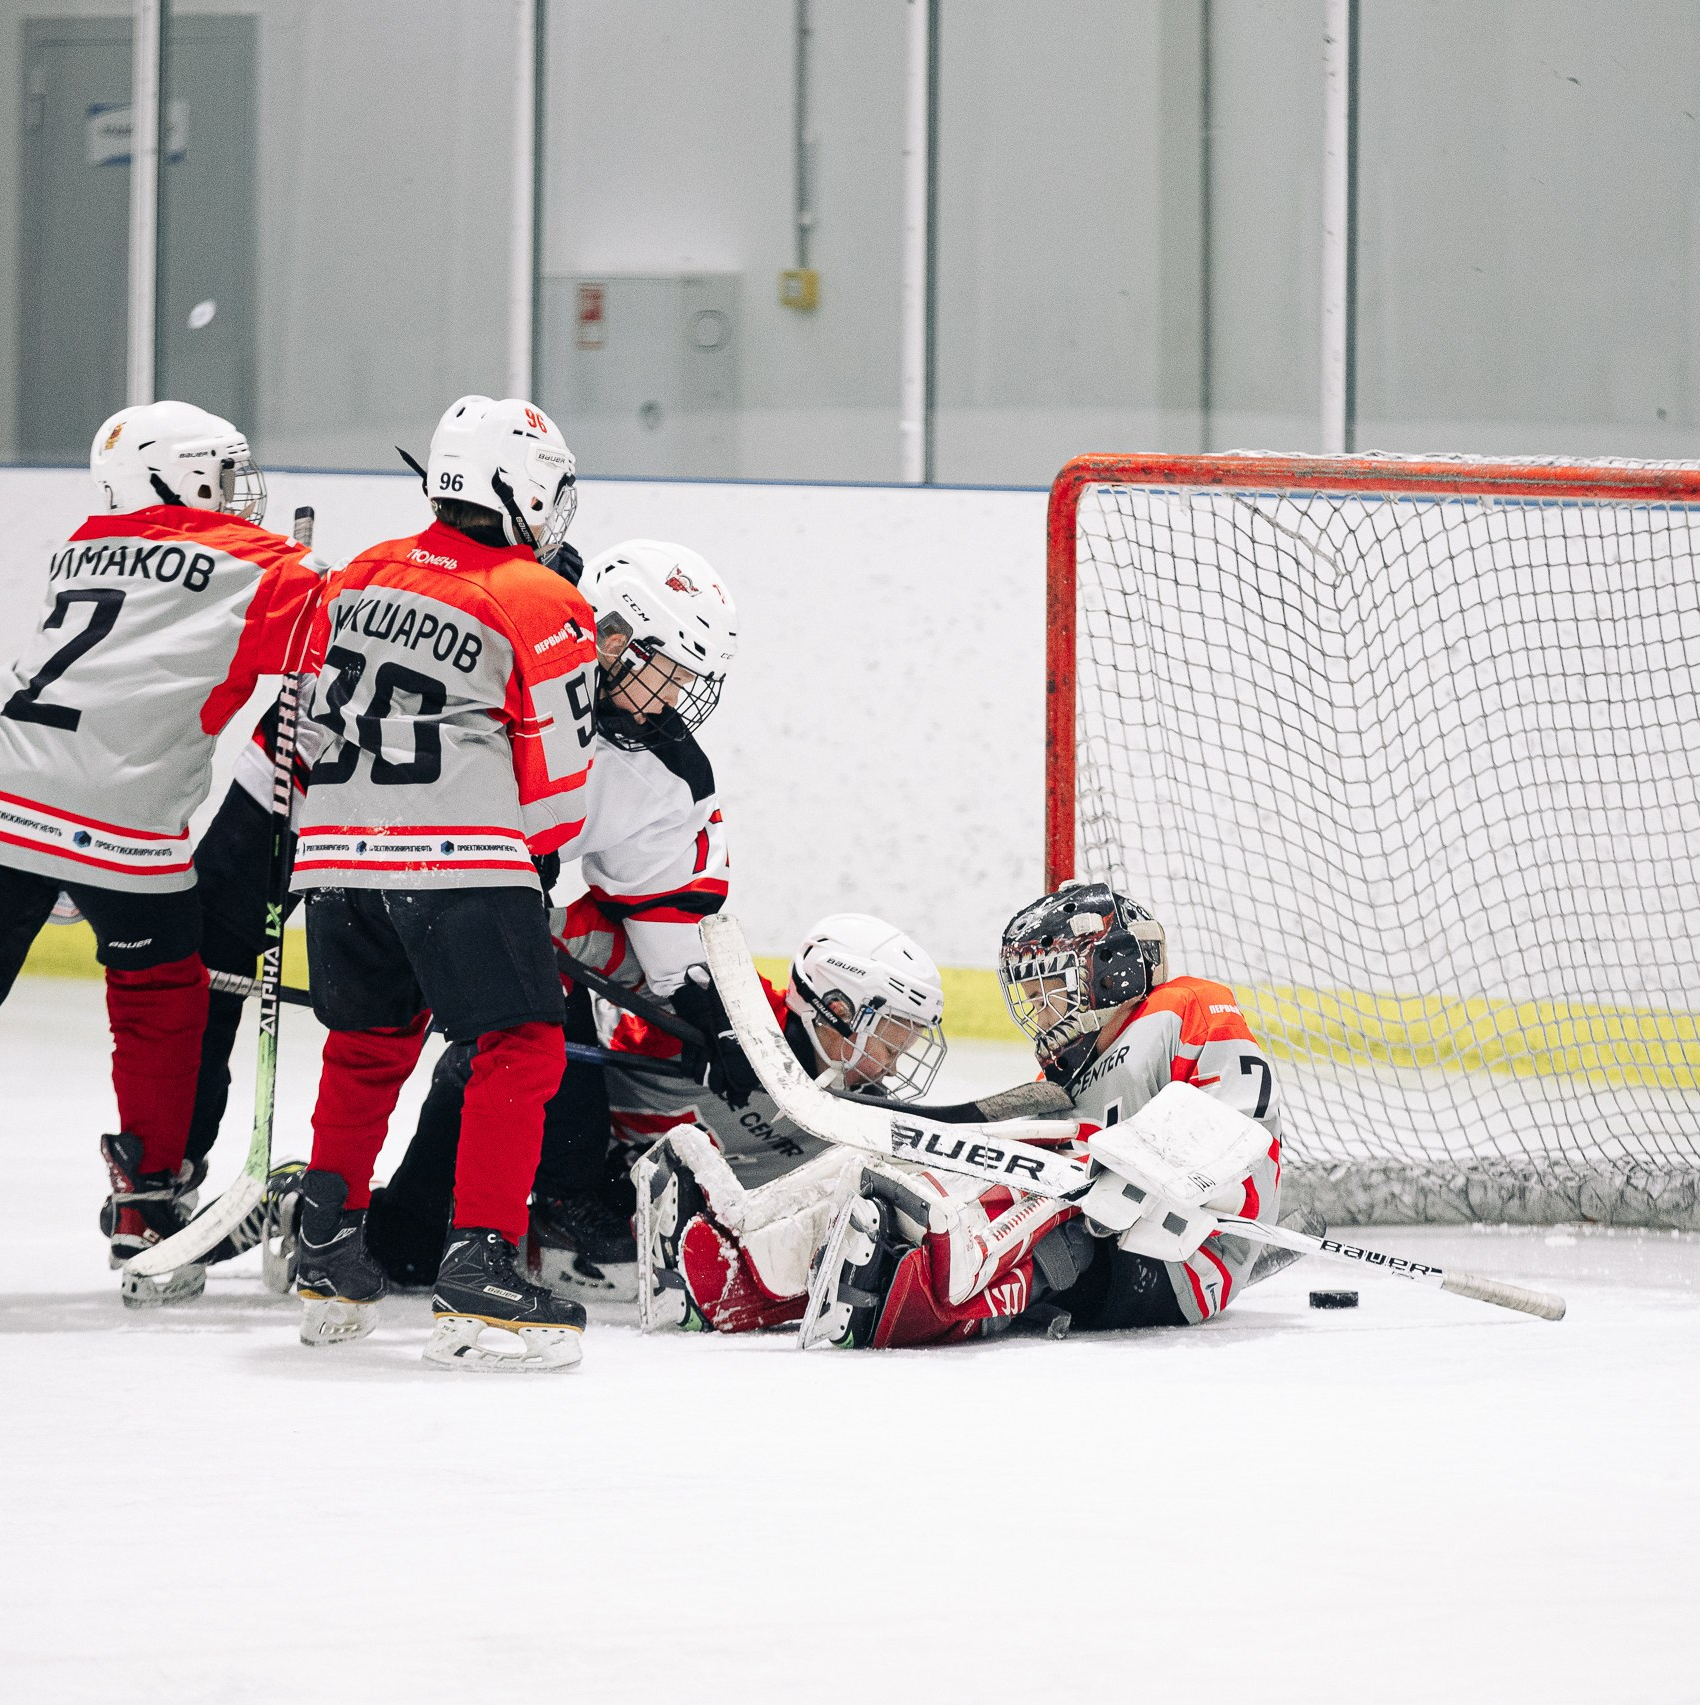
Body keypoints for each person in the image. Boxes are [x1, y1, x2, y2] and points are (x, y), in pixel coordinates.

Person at [0, 401, 321, 1315]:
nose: (241, 491)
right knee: (164, 996)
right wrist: (323, 580)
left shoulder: (81, 543)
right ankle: (146, 1203)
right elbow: (350, 634)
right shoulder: (259, 566)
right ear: (177, 477)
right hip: (119, 811)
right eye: (222, 472)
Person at [279, 394, 602, 1373]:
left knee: (368, 1044)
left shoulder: (353, 575)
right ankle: (481, 1268)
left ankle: (328, 1250)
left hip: (333, 857)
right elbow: (556, 800)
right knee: (522, 1043)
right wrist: (521, 866)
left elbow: (298, 736)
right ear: (515, 489)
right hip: (458, 857)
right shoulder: (537, 596)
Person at [359, 539, 746, 1297]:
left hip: (487, 894)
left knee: (524, 1018)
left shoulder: (666, 772)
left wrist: (706, 1010)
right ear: (612, 640)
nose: (673, 702)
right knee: (473, 1031)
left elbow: (665, 898)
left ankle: (411, 1227)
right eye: (666, 675)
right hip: (393, 869)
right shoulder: (503, 666)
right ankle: (381, 1217)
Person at [798, 881, 1286, 1349]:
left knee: (1057, 1227)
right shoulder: (1070, 1072)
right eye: (1030, 998)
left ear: (1107, 973)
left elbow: (1242, 1133)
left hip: (1184, 1257)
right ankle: (892, 1267)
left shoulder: (1182, 1009)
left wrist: (1146, 1176)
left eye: (1046, 990)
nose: (1039, 1011)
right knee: (1005, 1176)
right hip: (1108, 1247)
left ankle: (914, 1289)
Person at [622, 913, 950, 1333]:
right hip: (582, 1167)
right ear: (837, 1012)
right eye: (888, 1048)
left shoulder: (853, 1111)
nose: (891, 1069)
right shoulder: (730, 1006)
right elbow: (606, 940)